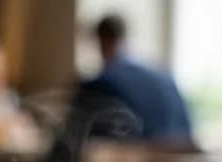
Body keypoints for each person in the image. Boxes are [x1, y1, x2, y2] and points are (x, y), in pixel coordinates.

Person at [74, 15, 193, 144]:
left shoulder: (104, 83)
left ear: (102, 41)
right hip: (181, 155)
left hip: (139, 156)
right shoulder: (164, 75)